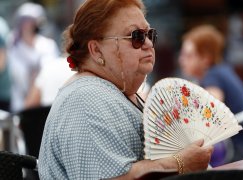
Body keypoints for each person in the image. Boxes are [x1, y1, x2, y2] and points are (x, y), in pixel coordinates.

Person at [38, 0, 214, 179]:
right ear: (97, 51)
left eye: (149, 34)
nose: (148, 44)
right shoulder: (85, 99)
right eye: (136, 36)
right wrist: (180, 163)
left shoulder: (110, 91)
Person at [178, 25, 243, 165]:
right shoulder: (221, 70)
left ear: (205, 58)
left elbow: (209, 111)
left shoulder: (213, 76)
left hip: (242, 146)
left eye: (188, 55)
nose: (181, 60)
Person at [7, 2, 60, 112]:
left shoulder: (48, 46)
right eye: (25, 20)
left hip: (46, 104)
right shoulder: (12, 47)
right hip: (20, 106)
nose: (27, 25)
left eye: (31, 21)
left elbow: (51, 74)